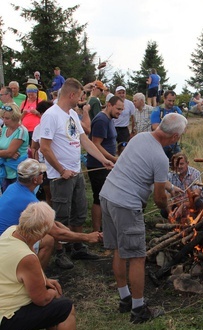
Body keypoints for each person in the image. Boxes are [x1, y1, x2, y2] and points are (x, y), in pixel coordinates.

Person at [100, 113, 188, 324]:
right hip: (126, 205)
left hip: (107, 195)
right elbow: (158, 198)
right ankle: (138, 310)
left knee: (119, 250)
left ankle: (125, 299)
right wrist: (170, 212)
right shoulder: (160, 157)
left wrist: (172, 187)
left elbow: (143, 170)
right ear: (175, 136)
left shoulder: (139, 137)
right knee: (138, 256)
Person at [0, 201, 99, 330]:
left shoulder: (12, 232)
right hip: (5, 318)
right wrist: (51, 292)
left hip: (3, 306)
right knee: (65, 307)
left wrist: (45, 280)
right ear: (43, 230)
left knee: (51, 288)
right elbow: (42, 300)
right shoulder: (27, 258)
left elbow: (29, 267)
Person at [39, 78, 114, 268]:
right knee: (61, 215)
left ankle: (78, 247)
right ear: (71, 95)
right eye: (80, 96)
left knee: (79, 211)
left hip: (76, 173)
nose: (82, 100)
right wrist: (61, 170)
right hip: (60, 176)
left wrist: (103, 159)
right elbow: (44, 148)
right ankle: (60, 252)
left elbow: (84, 141)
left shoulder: (72, 113)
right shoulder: (51, 115)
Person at [0, 159, 102, 270]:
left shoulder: (13, 188)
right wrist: (87, 237)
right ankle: (35, 276)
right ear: (35, 179)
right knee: (48, 240)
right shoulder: (30, 201)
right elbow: (57, 234)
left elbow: (47, 223)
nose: (44, 175)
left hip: (6, 236)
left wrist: (59, 226)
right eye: (41, 173)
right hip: (6, 244)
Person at [87, 95, 124, 232]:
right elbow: (96, 144)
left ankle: (104, 228)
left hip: (106, 163)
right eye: (118, 109)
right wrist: (113, 159)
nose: (120, 112)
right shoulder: (101, 120)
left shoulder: (109, 119)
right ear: (109, 105)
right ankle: (97, 231)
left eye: (122, 110)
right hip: (98, 165)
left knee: (106, 196)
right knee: (99, 198)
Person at [165, 153, 203, 220]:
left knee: (198, 202)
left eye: (181, 164)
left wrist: (183, 206)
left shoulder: (195, 173)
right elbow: (167, 196)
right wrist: (170, 212)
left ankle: (195, 219)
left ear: (187, 163)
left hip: (190, 202)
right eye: (176, 164)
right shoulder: (170, 175)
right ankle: (174, 219)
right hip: (176, 202)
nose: (179, 166)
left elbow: (196, 195)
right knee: (164, 210)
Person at [0, 104, 29, 193]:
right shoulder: (5, 128)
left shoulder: (21, 131)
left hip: (18, 172)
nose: (4, 121)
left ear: (16, 118)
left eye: (7, 118)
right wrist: (4, 153)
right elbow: (8, 152)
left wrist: (7, 154)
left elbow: (9, 153)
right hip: (5, 171)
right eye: (3, 118)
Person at [150, 90, 183, 162]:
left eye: (173, 101)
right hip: (161, 144)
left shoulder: (177, 110)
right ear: (164, 99)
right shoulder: (157, 110)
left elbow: (182, 125)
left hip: (174, 145)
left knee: (179, 162)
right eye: (169, 100)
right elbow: (155, 127)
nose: (171, 103)